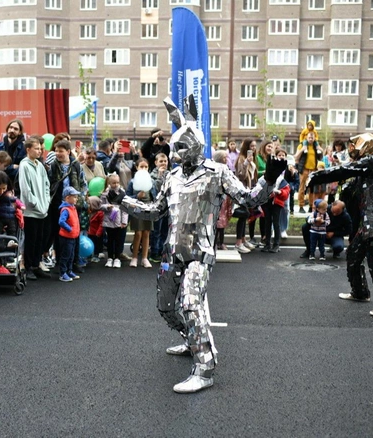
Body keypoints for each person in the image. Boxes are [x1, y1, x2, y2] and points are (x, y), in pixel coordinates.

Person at [120, 96, 286, 393]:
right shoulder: (171, 177)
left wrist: (268, 180)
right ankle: (191, 339)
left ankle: (205, 367)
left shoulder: (217, 173)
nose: (175, 154)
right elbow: (155, 211)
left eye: (180, 148)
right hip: (171, 253)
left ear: (195, 144)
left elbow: (248, 199)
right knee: (166, 308)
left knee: (191, 302)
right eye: (174, 149)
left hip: (200, 253)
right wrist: (123, 200)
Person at [308, 133, 373, 318]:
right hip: (368, 222)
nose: (354, 150)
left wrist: (318, 176)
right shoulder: (371, 166)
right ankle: (360, 293)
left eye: (358, 146)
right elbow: (351, 187)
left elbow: (346, 170)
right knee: (353, 255)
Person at [47, 139, 86, 274]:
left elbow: (83, 183)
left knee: (75, 233)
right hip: (58, 205)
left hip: (74, 206)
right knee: (60, 234)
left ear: (68, 152)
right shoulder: (53, 165)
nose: (58, 154)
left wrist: (80, 198)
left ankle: (74, 262)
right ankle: (60, 262)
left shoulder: (76, 165)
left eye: (61, 151)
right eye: (56, 151)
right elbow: (49, 183)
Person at [18, 138, 51, 282]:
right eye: (36, 148)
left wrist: (46, 201)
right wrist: (36, 204)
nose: (39, 151)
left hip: (43, 210)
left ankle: (37, 265)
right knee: (31, 240)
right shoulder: (24, 165)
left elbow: (46, 185)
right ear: (28, 149)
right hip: (31, 211)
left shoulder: (40, 165)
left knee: (40, 239)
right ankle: (29, 266)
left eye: (40, 148)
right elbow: (25, 190)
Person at [127, 158, 156, 268]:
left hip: (148, 207)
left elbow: (155, 195)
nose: (143, 169)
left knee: (146, 233)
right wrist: (136, 197)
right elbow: (127, 197)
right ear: (136, 167)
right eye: (141, 167)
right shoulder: (133, 182)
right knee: (138, 232)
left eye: (146, 167)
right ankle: (134, 257)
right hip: (137, 207)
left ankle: (144, 258)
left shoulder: (151, 181)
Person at [0, 171, 23, 248]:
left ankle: (11, 243)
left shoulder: (9, 194)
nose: (1, 191)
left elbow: (17, 203)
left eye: (4, 188)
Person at [233, 138, 257, 253]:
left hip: (248, 190)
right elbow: (240, 175)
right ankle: (238, 242)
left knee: (246, 215)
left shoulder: (252, 159)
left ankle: (242, 239)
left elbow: (252, 176)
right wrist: (246, 162)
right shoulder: (242, 159)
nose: (253, 148)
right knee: (243, 215)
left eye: (254, 146)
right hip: (241, 191)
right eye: (251, 146)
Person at [100, 173, 128, 268]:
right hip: (109, 219)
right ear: (109, 183)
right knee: (110, 240)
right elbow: (101, 206)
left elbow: (125, 209)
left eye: (117, 182)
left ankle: (117, 258)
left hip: (119, 219)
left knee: (119, 240)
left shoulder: (122, 193)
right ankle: (110, 257)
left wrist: (124, 221)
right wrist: (107, 206)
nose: (116, 184)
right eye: (113, 183)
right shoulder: (105, 194)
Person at [261, 168, 290, 253]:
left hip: (277, 203)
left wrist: (279, 192)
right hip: (267, 202)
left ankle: (276, 244)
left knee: (276, 223)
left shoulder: (282, 181)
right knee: (267, 222)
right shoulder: (265, 179)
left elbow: (286, 193)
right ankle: (267, 244)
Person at [294, 131, 323, 213]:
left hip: (313, 169)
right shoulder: (302, 145)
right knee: (302, 188)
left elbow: (320, 157)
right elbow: (296, 156)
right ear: (306, 137)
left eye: (312, 137)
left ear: (314, 138)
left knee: (312, 188)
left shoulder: (315, 146)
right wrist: (302, 149)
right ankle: (301, 206)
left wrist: (320, 149)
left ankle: (311, 206)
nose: (311, 139)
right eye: (309, 137)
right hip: (304, 169)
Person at [57, 186, 81, 282]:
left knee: (71, 255)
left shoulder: (72, 208)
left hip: (72, 236)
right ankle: (63, 273)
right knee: (66, 255)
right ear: (67, 198)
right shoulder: (66, 209)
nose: (76, 199)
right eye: (74, 197)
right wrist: (69, 229)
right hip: (67, 237)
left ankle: (69, 270)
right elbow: (61, 221)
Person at [149, 153, 169, 260]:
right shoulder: (152, 175)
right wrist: (160, 177)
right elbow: (155, 190)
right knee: (156, 231)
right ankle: (154, 252)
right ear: (156, 163)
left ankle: (162, 250)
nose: (163, 163)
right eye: (161, 161)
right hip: (157, 208)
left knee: (165, 231)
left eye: (165, 161)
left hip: (167, 207)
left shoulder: (170, 174)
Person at [87, 196, 104, 263]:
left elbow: (101, 224)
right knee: (90, 244)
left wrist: (98, 232)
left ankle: (96, 255)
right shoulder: (90, 212)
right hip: (90, 232)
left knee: (97, 245)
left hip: (96, 233)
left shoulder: (99, 213)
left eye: (90, 204)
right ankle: (89, 254)